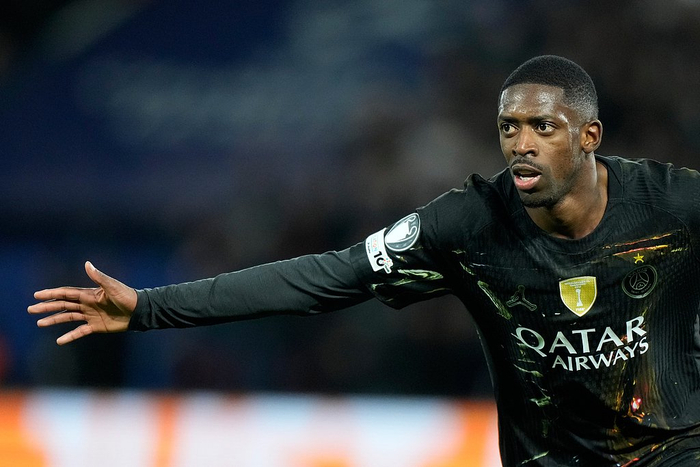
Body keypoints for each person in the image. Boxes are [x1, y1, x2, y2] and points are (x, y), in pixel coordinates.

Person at [27, 55, 700, 466]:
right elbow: (326, 277)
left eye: (542, 128)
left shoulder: (674, 205)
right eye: (508, 128)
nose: (520, 144)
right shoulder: (467, 225)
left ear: (589, 135)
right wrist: (149, 308)